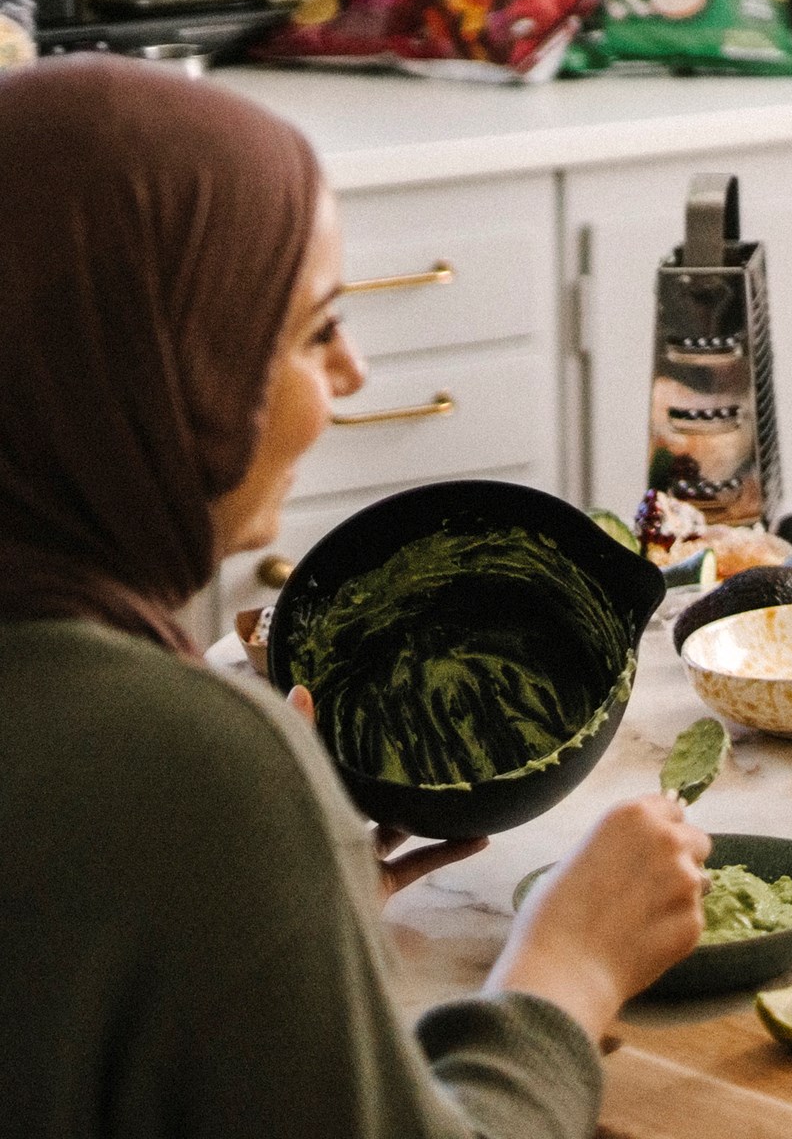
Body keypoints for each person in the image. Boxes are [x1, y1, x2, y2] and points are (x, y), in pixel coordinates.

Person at [0, 56, 710, 1139]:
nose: (355, 374)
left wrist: (267, 929)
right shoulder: (191, 767)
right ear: (160, 369)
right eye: (312, 330)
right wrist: (564, 972)